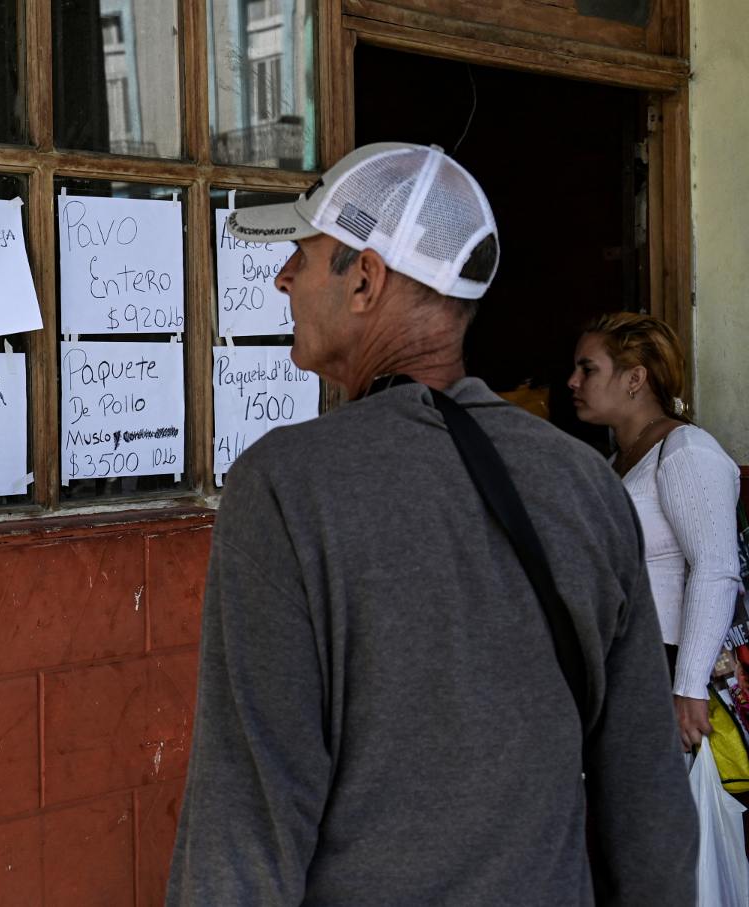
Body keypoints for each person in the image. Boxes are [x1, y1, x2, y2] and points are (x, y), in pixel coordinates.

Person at [167, 143, 695, 905]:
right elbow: (648, 800)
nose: (283, 277)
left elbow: (246, 817)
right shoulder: (585, 482)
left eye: (303, 256)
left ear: (366, 280)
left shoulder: (287, 485)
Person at [569, 312, 741, 751]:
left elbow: (715, 568)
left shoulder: (685, 452)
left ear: (635, 379)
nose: (573, 381)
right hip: (626, 664)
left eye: (588, 369)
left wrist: (689, 688)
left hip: (668, 666)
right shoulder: (617, 464)